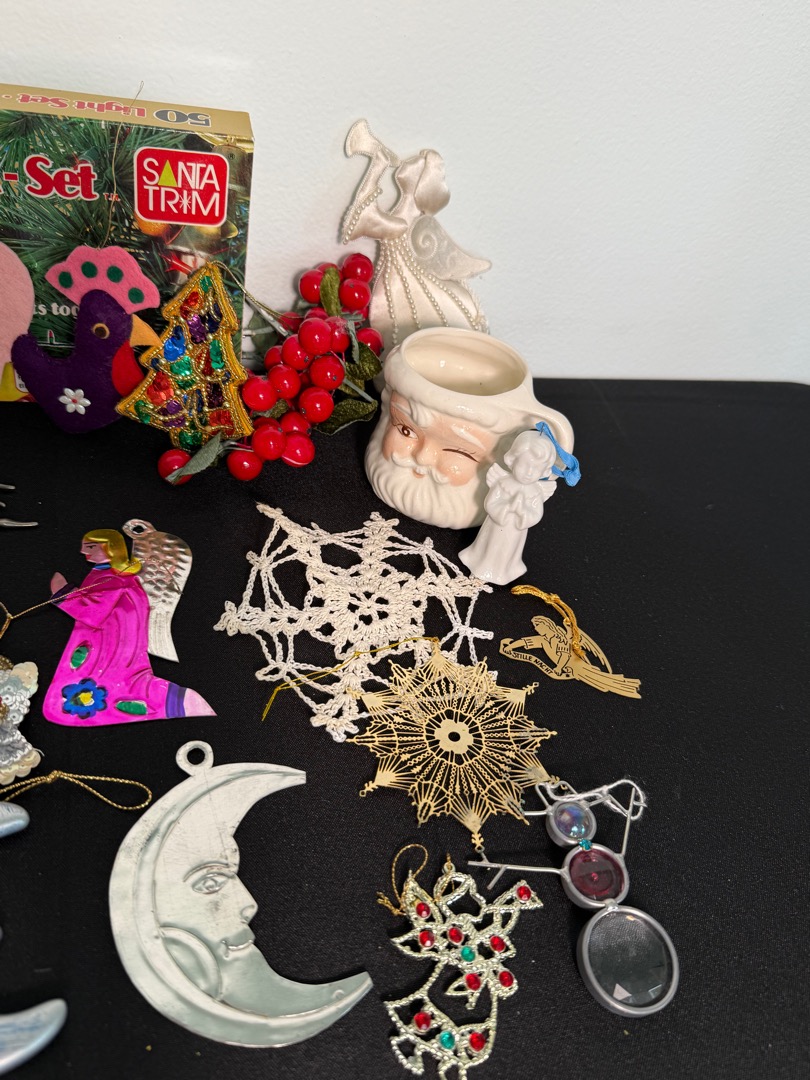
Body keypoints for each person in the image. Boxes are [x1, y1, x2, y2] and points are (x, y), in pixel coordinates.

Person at [44, 528, 214, 725]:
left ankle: (175, 702)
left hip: (112, 648)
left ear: (110, 548)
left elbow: (94, 613)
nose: (83, 552)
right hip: (105, 641)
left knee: (111, 688)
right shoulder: (108, 574)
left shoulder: (116, 579)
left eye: (90, 547)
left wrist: (64, 594)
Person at [459, 430, 559, 585]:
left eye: (536, 469)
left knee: (507, 550)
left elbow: (536, 514)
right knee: (490, 546)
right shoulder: (503, 483)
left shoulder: (535, 492)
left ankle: (504, 570)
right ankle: (482, 565)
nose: (529, 473)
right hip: (495, 526)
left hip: (515, 532)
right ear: (513, 460)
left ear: (544, 471)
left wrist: (522, 512)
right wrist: (506, 508)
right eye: (524, 465)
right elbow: (490, 503)